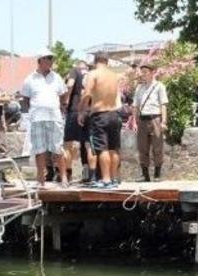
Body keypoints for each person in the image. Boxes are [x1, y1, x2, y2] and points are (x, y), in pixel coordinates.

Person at [21, 48, 69, 188]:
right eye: (48, 58)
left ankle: (64, 177)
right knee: (39, 149)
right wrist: (33, 111)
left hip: (54, 116)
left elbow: (63, 93)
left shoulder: (57, 77)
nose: (50, 61)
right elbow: (25, 98)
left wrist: (61, 105)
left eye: (51, 58)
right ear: (40, 60)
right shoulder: (30, 79)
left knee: (57, 148)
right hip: (37, 118)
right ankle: (41, 179)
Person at [78, 52, 122, 189]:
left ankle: (106, 179)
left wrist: (81, 111)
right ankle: (114, 178)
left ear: (95, 61)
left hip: (100, 114)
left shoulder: (93, 74)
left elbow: (87, 94)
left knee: (102, 148)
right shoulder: (114, 75)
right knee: (113, 148)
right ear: (107, 61)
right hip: (115, 114)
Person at [133, 63, 169, 182]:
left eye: (145, 72)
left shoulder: (159, 86)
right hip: (143, 119)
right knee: (142, 148)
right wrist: (134, 121)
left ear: (152, 72)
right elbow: (135, 106)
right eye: (142, 72)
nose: (143, 74)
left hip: (155, 118)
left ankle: (157, 174)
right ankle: (145, 175)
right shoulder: (139, 88)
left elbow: (163, 104)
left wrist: (164, 121)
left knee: (157, 146)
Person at [64, 60, 94, 183]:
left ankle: (67, 175)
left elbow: (70, 85)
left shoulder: (75, 71)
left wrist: (65, 100)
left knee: (68, 144)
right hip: (89, 111)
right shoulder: (92, 75)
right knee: (88, 144)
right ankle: (90, 176)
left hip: (75, 110)